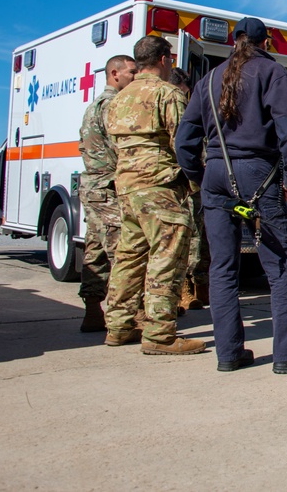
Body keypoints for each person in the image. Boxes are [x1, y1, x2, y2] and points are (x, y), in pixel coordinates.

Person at [177, 17, 287, 374]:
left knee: (222, 267)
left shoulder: (208, 79)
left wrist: (200, 177)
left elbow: (184, 141)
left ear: (235, 41)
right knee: (281, 266)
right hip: (257, 176)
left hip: (217, 175)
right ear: (265, 42)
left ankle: (229, 353)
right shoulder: (271, 72)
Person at [105, 36, 202, 354]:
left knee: (129, 258)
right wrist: (198, 183)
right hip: (160, 190)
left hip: (128, 191)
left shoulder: (119, 98)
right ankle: (159, 335)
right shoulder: (168, 94)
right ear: (164, 60)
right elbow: (184, 144)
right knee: (167, 258)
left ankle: (118, 327)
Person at [77, 54, 137, 332]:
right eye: (131, 73)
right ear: (115, 74)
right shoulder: (113, 105)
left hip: (94, 188)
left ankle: (92, 311)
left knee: (96, 251)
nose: (135, 78)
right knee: (123, 254)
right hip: (108, 188)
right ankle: (124, 319)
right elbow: (120, 147)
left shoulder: (94, 105)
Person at [169, 67, 210, 312]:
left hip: (199, 188)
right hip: (183, 187)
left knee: (202, 240)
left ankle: (201, 289)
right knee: (186, 240)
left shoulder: (195, 116)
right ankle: (184, 290)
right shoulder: (172, 109)